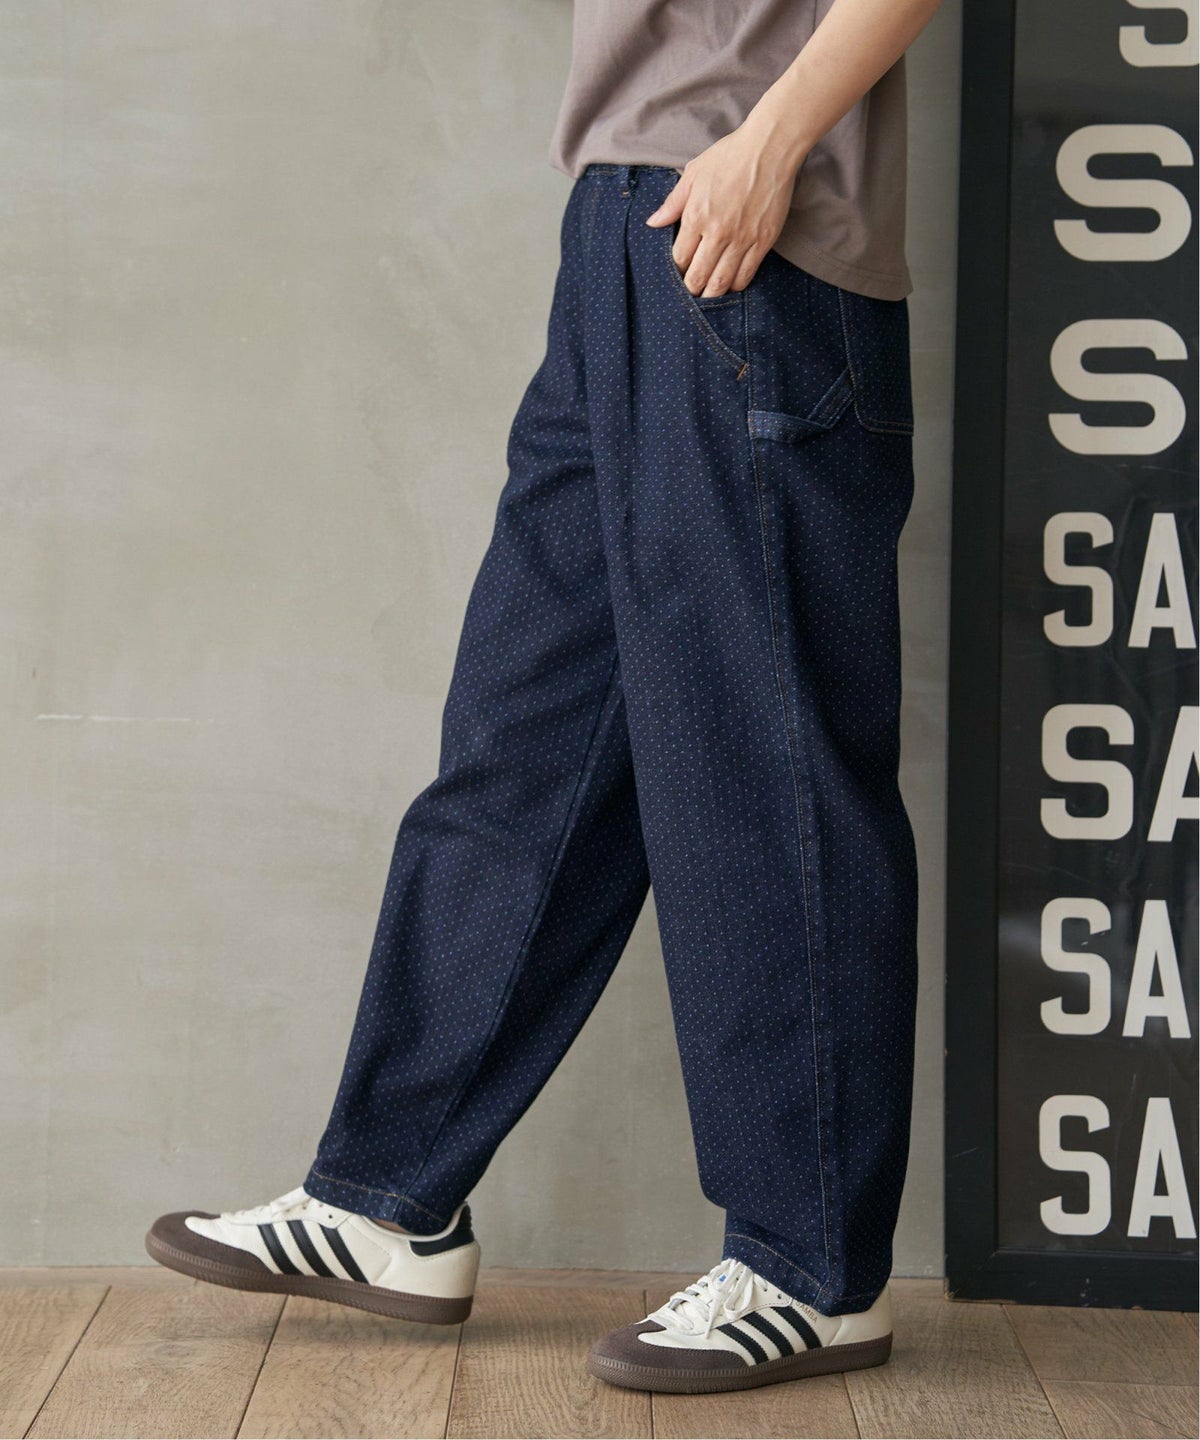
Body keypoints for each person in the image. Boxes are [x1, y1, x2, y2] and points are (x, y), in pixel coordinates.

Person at [147, 0, 942, 1395]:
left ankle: (814, 1268)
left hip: (756, 224)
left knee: (762, 779)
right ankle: (389, 1194)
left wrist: (772, 141)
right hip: (623, 224)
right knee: (528, 746)